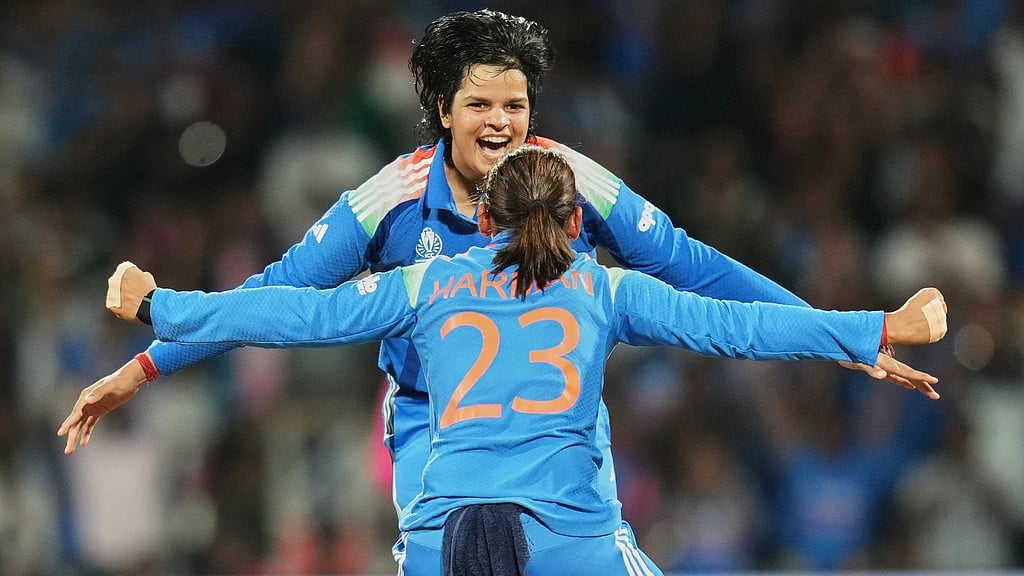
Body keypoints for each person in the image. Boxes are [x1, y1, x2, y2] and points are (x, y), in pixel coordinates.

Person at [57, 8, 914, 564]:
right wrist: (147, 367)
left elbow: (695, 269)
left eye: (517, 104)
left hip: (556, 416)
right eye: (480, 107)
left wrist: (836, 336)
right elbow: (280, 298)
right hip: (438, 426)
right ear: (439, 108)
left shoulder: (570, 181)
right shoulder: (387, 200)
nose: (503, 124)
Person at [80, 146, 946, 575]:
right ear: (576, 224)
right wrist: (874, 331)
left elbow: (293, 312)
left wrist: (162, 305)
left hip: (444, 533)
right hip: (566, 535)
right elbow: (739, 327)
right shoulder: (604, 290)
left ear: (484, 222)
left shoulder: (426, 283)